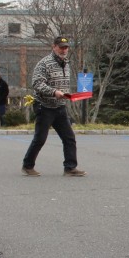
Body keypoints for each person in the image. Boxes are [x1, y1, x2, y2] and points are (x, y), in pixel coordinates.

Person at [22, 35, 85, 177]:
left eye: (66, 47)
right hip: (44, 106)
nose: (64, 50)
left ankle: (70, 168)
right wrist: (53, 92)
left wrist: (67, 95)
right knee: (40, 139)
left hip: (60, 106)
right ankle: (27, 166)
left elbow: (62, 84)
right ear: (54, 47)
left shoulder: (66, 63)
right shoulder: (44, 63)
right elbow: (37, 83)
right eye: (61, 47)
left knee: (69, 137)